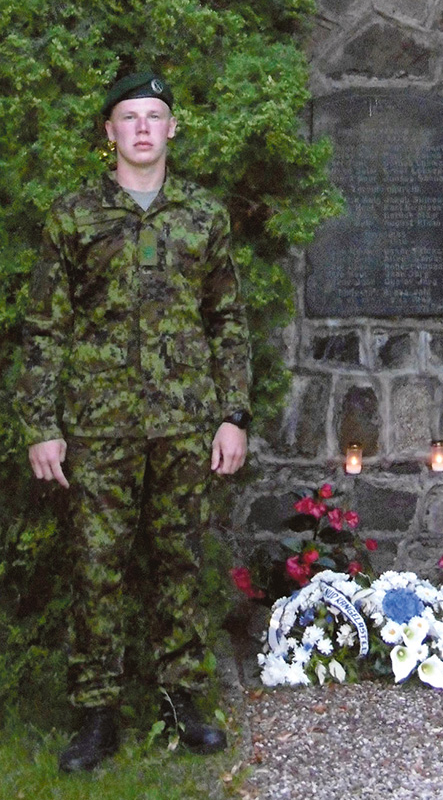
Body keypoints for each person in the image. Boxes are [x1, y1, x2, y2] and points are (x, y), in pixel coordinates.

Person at [17, 71, 252, 772]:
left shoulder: (203, 216)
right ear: (110, 132)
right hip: (98, 426)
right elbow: (43, 328)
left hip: (184, 423)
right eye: (129, 116)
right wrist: (40, 423)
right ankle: (97, 716)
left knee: (181, 563)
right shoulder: (74, 216)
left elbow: (227, 321)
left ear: (172, 128)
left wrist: (233, 415)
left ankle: (183, 702)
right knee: (96, 571)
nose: (143, 128)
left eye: (154, 116)